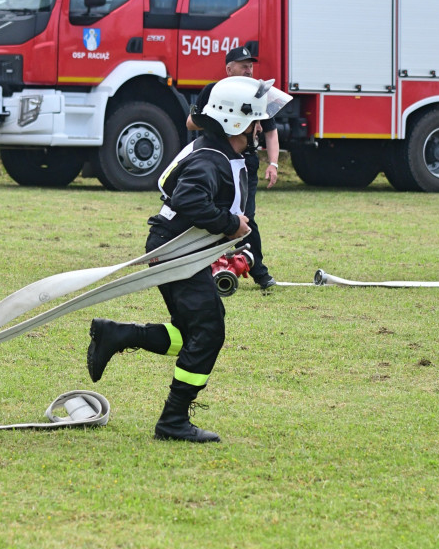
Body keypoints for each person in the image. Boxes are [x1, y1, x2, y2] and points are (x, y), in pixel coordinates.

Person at [87, 76, 292, 443]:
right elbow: (188, 201)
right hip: (177, 252)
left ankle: (116, 335)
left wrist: (233, 240)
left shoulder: (222, 152)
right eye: (255, 122)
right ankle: (173, 421)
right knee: (209, 332)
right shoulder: (210, 160)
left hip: (183, 250)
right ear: (234, 122)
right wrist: (230, 224)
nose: (260, 129)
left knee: (195, 334)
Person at [187, 46, 282, 290]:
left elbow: (270, 130)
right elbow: (190, 123)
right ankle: (203, 268)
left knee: (246, 217)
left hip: (245, 163)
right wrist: (220, 120)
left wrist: (273, 163)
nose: (248, 69)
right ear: (229, 69)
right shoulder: (213, 91)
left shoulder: (256, 93)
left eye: (250, 65)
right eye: (243, 65)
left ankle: (259, 272)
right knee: (211, 214)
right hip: (217, 160)